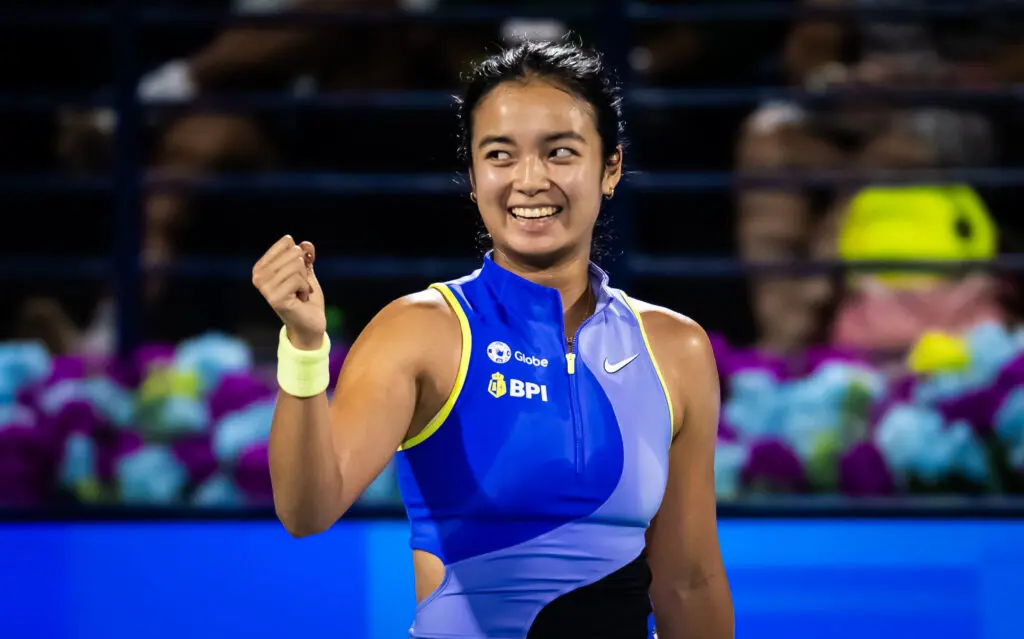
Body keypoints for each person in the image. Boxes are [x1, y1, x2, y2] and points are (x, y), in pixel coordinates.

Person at [252, 40, 734, 639]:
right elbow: (306, 510)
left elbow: (689, 580)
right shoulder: (421, 330)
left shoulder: (675, 348)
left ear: (609, 168)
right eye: (500, 155)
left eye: (560, 153)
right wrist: (303, 349)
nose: (530, 181)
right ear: (474, 177)